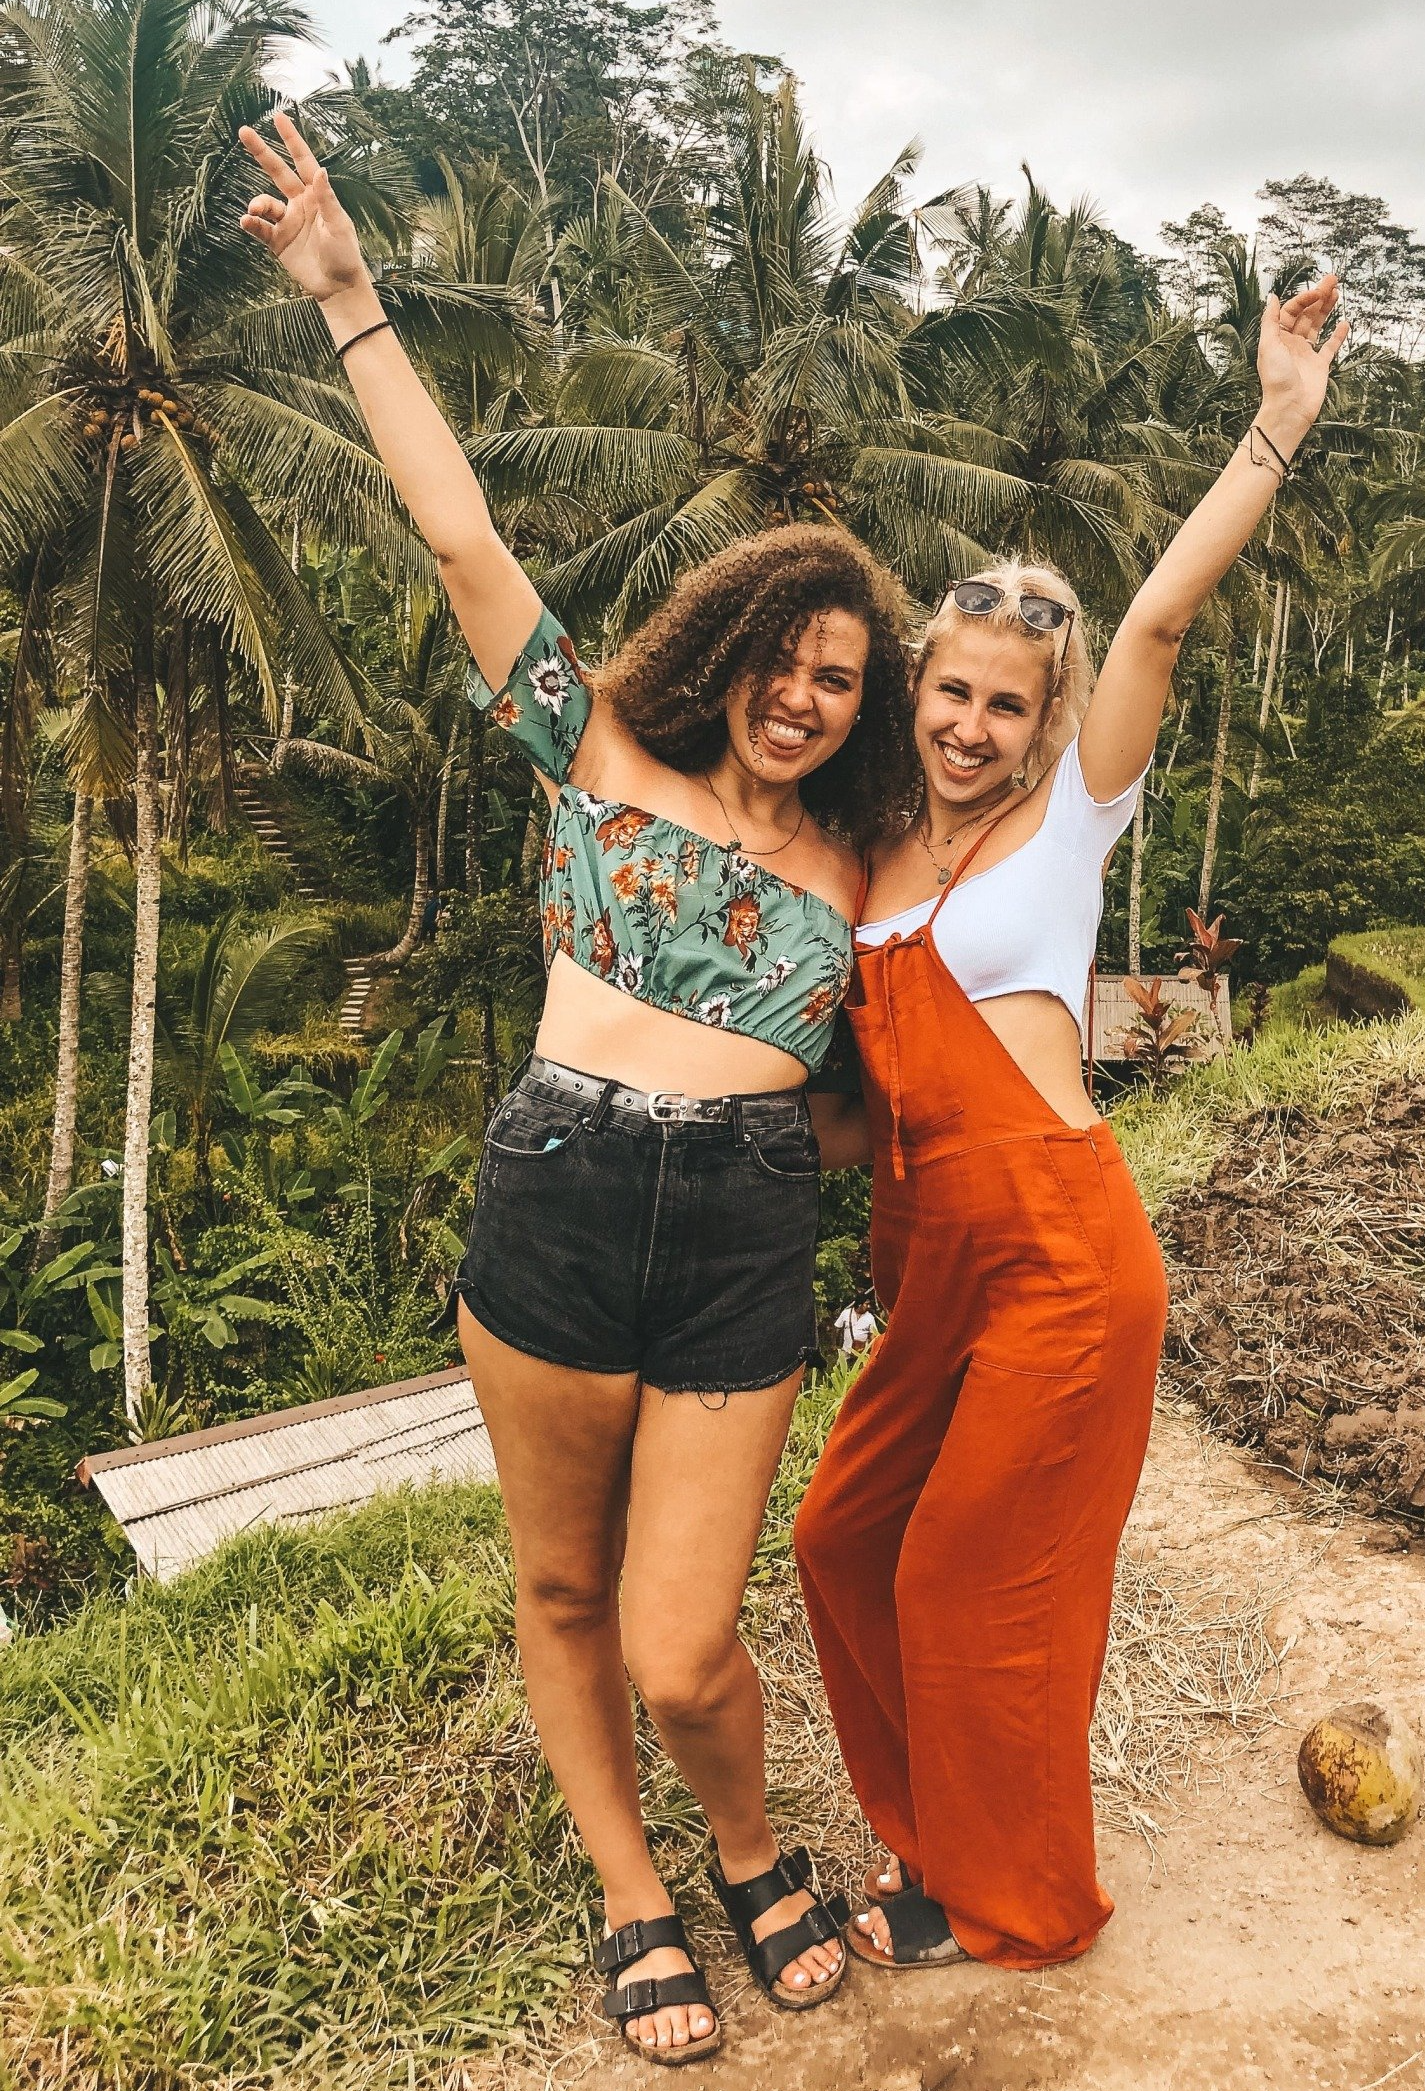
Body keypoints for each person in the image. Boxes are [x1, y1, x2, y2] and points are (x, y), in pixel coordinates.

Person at [238, 111, 921, 2065]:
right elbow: (462, 534)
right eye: (787, 659)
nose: (806, 696)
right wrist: (354, 303)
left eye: (840, 679)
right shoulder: (601, 745)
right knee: (560, 1585)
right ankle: (643, 1892)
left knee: (678, 1636)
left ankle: (747, 1842)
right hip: (550, 1189)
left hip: (736, 1228)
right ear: (728, 649)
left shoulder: (855, 870)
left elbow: (915, 1049)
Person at [794, 275, 1347, 1971]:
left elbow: (1164, 618)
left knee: (971, 1578)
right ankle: (928, 1843)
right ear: (917, 696)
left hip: (1057, 1253)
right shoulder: (868, 859)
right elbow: (840, 1112)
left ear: (1047, 723)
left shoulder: (1067, 832)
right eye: (948, 697)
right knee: (842, 1537)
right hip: (926, 1264)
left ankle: (1009, 1896)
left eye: (1006, 707)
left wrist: (1276, 421)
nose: (972, 728)